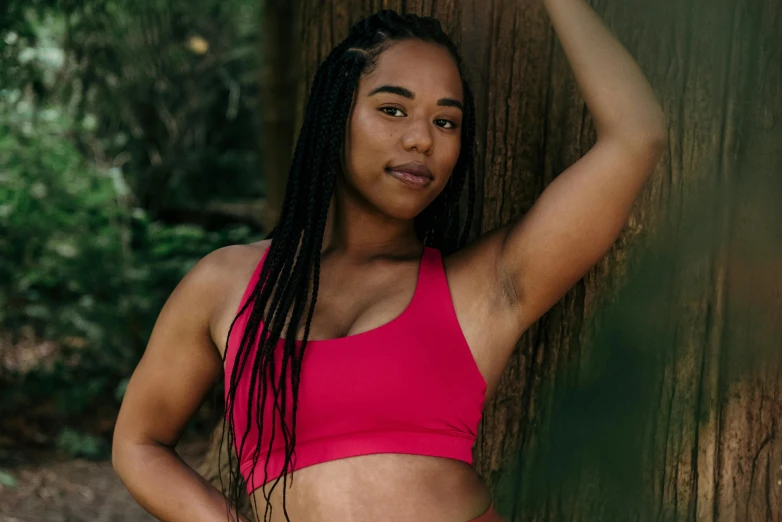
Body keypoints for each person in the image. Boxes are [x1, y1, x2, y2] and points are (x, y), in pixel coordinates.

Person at [112, 4, 666, 522]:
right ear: (336, 116)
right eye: (392, 109)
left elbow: (635, 137)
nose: (421, 139)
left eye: (445, 122)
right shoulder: (226, 283)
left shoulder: (483, 287)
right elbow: (138, 443)